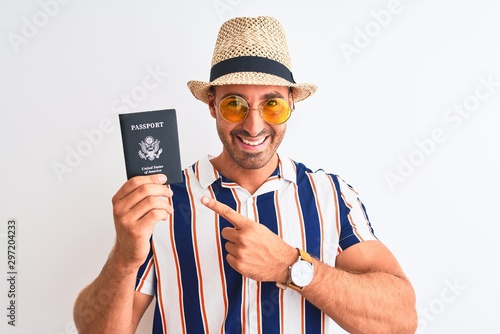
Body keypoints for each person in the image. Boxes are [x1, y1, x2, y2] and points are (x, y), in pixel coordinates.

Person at [73, 16, 417, 333]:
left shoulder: (330, 195)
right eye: (234, 104)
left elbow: (401, 321)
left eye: (272, 104)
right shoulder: (162, 200)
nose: (253, 125)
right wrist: (124, 257)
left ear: (291, 105)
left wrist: (290, 266)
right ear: (212, 106)